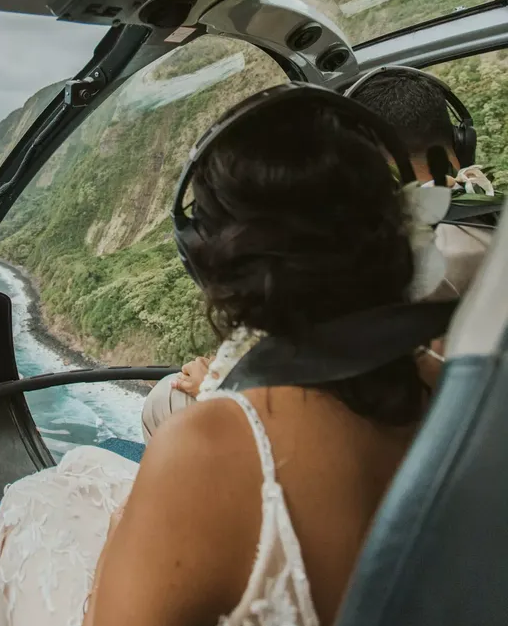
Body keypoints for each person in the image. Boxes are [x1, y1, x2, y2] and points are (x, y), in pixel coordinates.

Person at [0, 86, 443, 626]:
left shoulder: (210, 449)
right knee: (82, 471)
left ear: (209, 256)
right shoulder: (453, 381)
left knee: (30, 504)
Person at [142, 68, 499, 441]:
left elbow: (352, 385)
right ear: (459, 138)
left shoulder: (422, 260)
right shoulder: (488, 216)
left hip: (391, 425)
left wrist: (214, 390)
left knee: (165, 398)